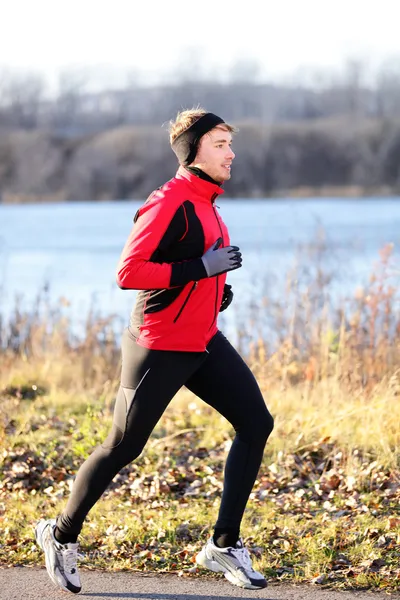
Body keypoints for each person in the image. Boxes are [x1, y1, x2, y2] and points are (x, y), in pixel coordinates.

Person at [35, 108, 274, 594]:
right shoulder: (169, 201)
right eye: (221, 144)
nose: (232, 153)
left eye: (230, 144)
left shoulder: (208, 202)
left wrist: (215, 289)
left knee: (256, 423)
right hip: (159, 344)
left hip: (202, 338)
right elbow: (130, 273)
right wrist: (200, 270)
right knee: (124, 446)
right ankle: (59, 535)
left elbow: (192, 265)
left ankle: (224, 545)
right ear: (194, 151)